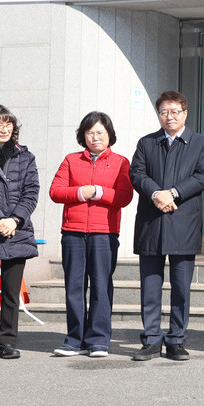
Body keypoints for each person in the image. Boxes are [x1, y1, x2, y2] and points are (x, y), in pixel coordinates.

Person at [129, 91, 204, 361]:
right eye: (164, 112)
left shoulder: (200, 143)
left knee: (181, 288)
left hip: (183, 223)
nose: (170, 117)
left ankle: (176, 340)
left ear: (185, 113)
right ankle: (151, 340)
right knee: (150, 288)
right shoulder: (147, 143)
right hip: (151, 223)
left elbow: (203, 176)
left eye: (175, 111)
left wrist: (173, 193)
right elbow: (137, 174)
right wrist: (157, 194)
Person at [49, 112, 133, 358]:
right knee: (74, 287)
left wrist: (97, 192)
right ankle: (74, 340)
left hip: (104, 233)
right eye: (90, 133)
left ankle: (98, 340)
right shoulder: (71, 160)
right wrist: (80, 193)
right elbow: (56, 191)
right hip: (73, 233)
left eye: (100, 133)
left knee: (100, 286)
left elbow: (124, 196)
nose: (95, 137)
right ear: (83, 136)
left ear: (109, 135)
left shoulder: (121, 162)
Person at [0, 105, 39, 360]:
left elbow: (31, 192)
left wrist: (14, 220)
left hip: (17, 231)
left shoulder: (26, 156)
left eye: (8, 123)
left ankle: (7, 342)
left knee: (11, 292)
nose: (4, 129)